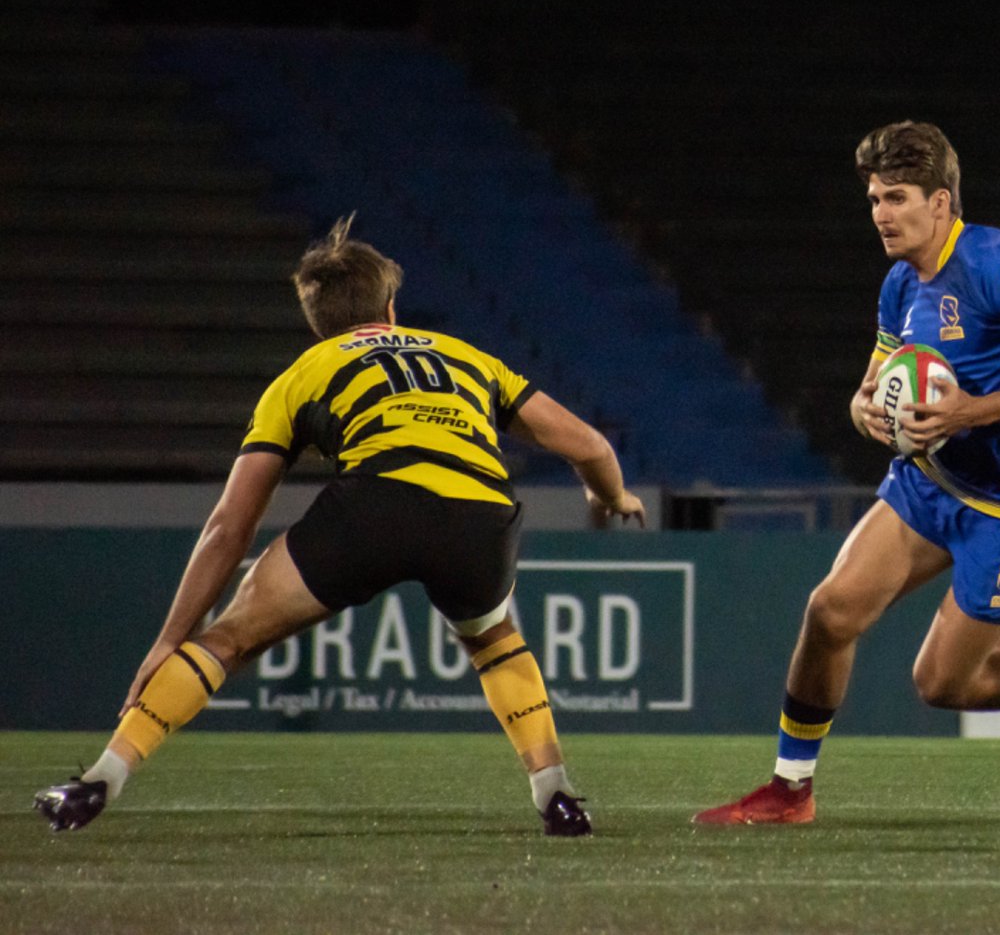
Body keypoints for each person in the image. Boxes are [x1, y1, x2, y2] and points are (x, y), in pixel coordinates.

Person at [34, 215, 645, 836]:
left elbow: (229, 526)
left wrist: (172, 637)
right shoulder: (467, 356)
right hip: (480, 514)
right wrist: (610, 498)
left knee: (230, 638)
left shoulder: (303, 374)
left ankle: (98, 783)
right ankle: (557, 797)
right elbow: (590, 445)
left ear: (318, 320)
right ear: (392, 305)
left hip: (376, 505)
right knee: (495, 642)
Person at [694, 120, 1000, 826]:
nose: (881, 215)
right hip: (934, 483)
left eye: (896, 197)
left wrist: (969, 413)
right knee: (830, 610)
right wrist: (866, 410)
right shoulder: (901, 284)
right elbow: (875, 384)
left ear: (942, 203)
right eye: (873, 199)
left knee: (941, 683)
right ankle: (789, 790)